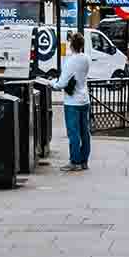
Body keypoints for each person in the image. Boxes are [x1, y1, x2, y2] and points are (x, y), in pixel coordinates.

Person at [58, 30, 92, 171]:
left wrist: (51, 83)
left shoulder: (70, 61)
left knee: (73, 133)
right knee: (85, 132)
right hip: (84, 99)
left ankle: (74, 162)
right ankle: (84, 161)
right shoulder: (86, 58)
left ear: (71, 45)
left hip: (72, 102)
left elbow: (61, 83)